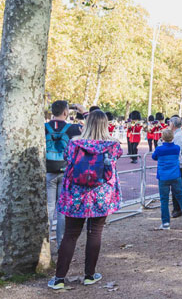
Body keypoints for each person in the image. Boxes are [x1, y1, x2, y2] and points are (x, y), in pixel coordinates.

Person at [48, 110, 122, 290]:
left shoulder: (74, 143)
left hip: (76, 194)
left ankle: (59, 278)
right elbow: (115, 159)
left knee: (70, 235)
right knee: (95, 232)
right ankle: (89, 275)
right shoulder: (113, 145)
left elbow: (67, 158)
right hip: (101, 194)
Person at [45, 101, 86, 251]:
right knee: (62, 211)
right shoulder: (73, 128)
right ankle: (61, 244)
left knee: (49, 208)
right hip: (67, 171)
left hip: (48, 170)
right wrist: (84, 111)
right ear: (65, 112)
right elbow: (93, 129)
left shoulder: (43, 127)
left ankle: (46, 243)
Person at [152, 129, 182, 229]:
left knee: (164, 200)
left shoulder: (159, 149)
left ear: (163, 138)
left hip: (163, 177)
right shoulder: (176, 148)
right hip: (175, 175)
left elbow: (154, 157)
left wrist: (160, 143)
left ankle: (166, 223)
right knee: (181, 197)